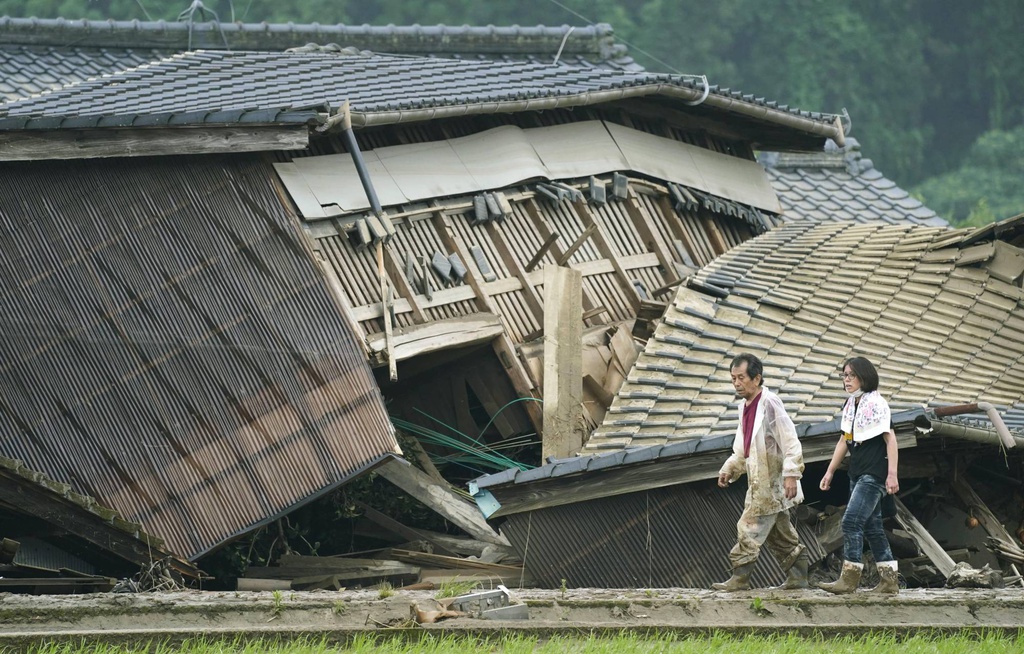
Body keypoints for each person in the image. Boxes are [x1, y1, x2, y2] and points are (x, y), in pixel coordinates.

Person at [712, 353, 808, 591]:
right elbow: (743, 449)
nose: (736, 383)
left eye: (741, 378)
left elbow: (790, 440)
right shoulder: (744, 407)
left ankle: (740, 578)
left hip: (771, 482)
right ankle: (799, 577)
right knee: (780, 534)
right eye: (733, 378)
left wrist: (791, 474)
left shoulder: (769, 403)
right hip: (760, 483)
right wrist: (730, 469)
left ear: (756, 378)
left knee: (748, 526)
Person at [818, 356, 900, 595]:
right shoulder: (851, 405)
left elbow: (890, 438)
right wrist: (830, 471)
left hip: (874, 474)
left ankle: (849, 578)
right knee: (873, 527)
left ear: (864, 376)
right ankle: (889, 581)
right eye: (844, 375)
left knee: (851, 521)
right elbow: (845, 439)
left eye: (851, 375)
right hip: (857, 472)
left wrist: (892, 474)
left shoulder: (877, 404)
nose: (847, 380)